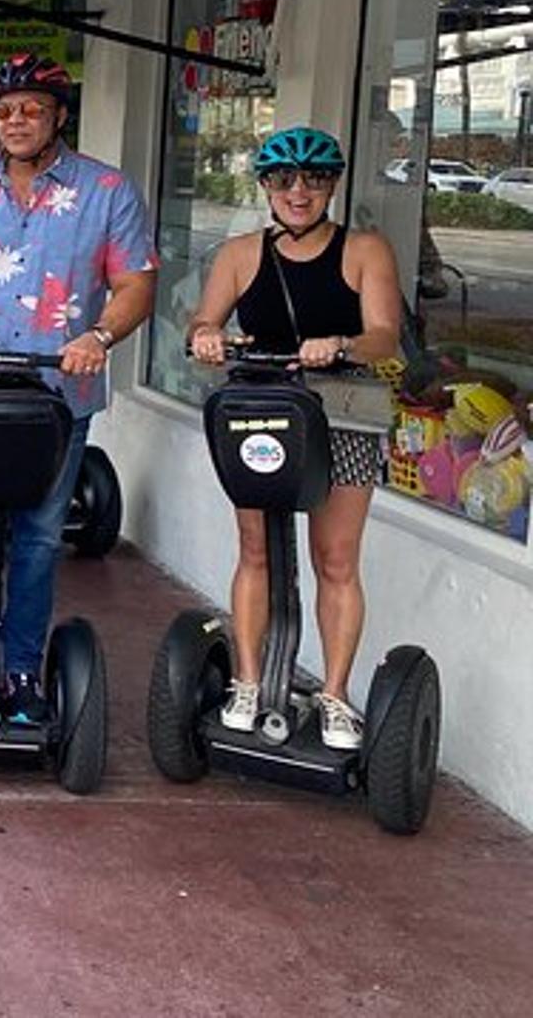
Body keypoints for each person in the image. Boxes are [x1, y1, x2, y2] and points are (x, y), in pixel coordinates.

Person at [0, 53, 158, 725]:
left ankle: (22, 670)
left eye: (31, 109)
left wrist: (97, 339)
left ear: (59, 115)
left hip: (60, 399)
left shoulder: (107, 190)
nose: (16, 120)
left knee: (41, 536)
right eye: (5, 110)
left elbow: (136, 283)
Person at [187, 127, 401, 751]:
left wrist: (341, 344)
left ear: (332, 185)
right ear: (267, 188)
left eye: (313, 179)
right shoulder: (239, 254)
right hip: (266, 412)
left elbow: (385, 336)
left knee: (335, 559)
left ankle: (334, 694)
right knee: (255, 550)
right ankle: (249, 682)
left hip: (342, 414)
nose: (298, 192)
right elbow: (206, 319)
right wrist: (205, 335)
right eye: (284, 180)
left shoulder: (364, 250)